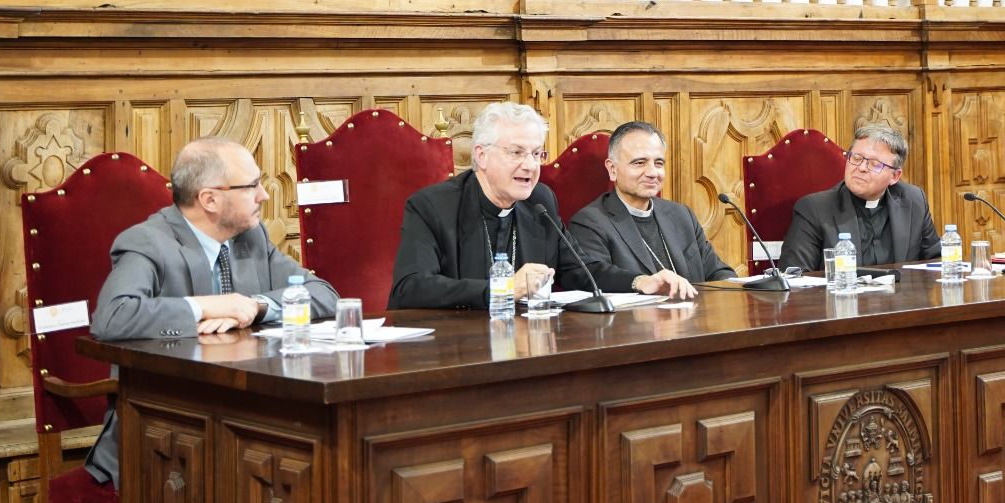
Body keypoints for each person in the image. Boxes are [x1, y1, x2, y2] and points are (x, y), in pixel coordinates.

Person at [84, 137, 337, 485]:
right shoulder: (148, 242)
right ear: (210, 199)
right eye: (251, 186)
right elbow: (112, 317)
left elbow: (324, 295)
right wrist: (206, 306)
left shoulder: (251, 238)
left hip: (248, 422)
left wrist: (256, 307)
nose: (264, 195)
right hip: (162, 436)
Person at [388, 102, 592, 309]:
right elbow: (410, 288)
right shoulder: (433, 206)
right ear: (481, 155)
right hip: (456, 337)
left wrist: (627, 282)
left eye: (537, 153)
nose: (531, 165)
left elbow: (582, 271)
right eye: (516, 153)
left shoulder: (539, 202)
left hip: (524, 336)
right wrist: (503, 290)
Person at [567, 121, 737, 300]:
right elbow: (595, 278)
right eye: (639, 163)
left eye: (658, 163)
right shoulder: (591, 222)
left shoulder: (681, 215)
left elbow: (719, 272)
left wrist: (735, 291)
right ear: (612, 169)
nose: (652, 172)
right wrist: (641, 282)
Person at [777, 123, 940, 274]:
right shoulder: (814, 209)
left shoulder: (913, 201)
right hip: (841, 303)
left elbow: (936, 262)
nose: (861, 168)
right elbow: (795, 277)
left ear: (895, 176)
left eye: (875, 164)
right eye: (856, 158)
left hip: (903, 303)